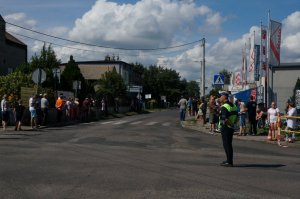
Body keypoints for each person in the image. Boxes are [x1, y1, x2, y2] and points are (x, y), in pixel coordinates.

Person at [218, 92, 238, 167]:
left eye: (220, 96)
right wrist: (234, 125)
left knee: (226, 145)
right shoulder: (233, 105)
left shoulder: (224, 107)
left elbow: (225, 119)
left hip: (226, 127)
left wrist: (231, 124)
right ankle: (229, 160)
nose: (219, 98)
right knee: (229, 144)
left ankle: (229, 162)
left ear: (224, 97)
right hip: (231, 128)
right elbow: (236, 116)